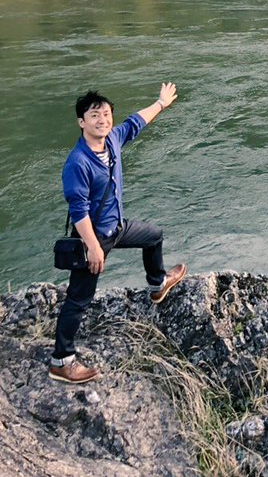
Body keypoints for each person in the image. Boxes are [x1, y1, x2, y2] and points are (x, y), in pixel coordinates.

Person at [49, 82, 187, 384]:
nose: (103, 120)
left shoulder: (112, 139)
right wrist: (94, 248)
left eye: (107, 114)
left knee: (154, 236)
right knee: (78, 299)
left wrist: (161, 103)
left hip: (117, 227)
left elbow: (137, 122)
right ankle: (62, 361)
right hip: (92, 237)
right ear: (81, 122)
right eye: (95, 115)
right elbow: (78, 209)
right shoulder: (78, 162)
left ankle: (157, 284)